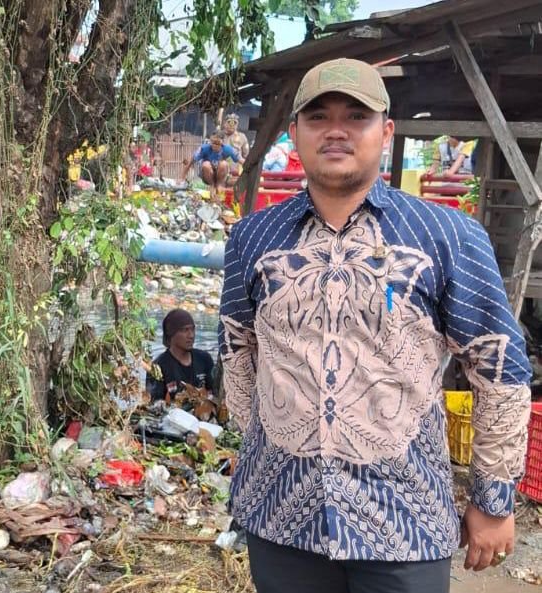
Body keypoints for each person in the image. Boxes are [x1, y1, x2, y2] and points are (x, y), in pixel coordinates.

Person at [219, 58, 530, 593]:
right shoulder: (253, 239)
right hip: (282, 518)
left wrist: (493, 501)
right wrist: (269, 446)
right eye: (318, 117)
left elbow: (498, 366)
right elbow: (237, 350)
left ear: (385, 132)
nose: (336, 130)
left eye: (355, 116)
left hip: (402, 523)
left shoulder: (447, 236)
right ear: (295, 133)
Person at [146, 309, 215, 402]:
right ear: (171, 334)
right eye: (185, 330)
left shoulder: (204, 359)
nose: (191, 335)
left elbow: (214, 394)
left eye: (192, 329)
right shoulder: (158, 367)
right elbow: (155, 405)